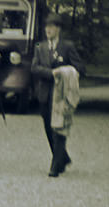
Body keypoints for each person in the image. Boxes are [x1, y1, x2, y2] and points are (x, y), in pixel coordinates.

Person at [31, 14, 84, 177]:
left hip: (62, 95)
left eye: (52, 27)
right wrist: (51, 73)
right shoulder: (40, 46)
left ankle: (55, 166)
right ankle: (63, 157)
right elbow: (34, 68)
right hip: (45, 94)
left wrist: (64, 71)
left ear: (58, 29)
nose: (48, 30)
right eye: (46, 27)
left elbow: (80, 68)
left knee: (59, 129)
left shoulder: (67, 47)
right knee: (48, 128)